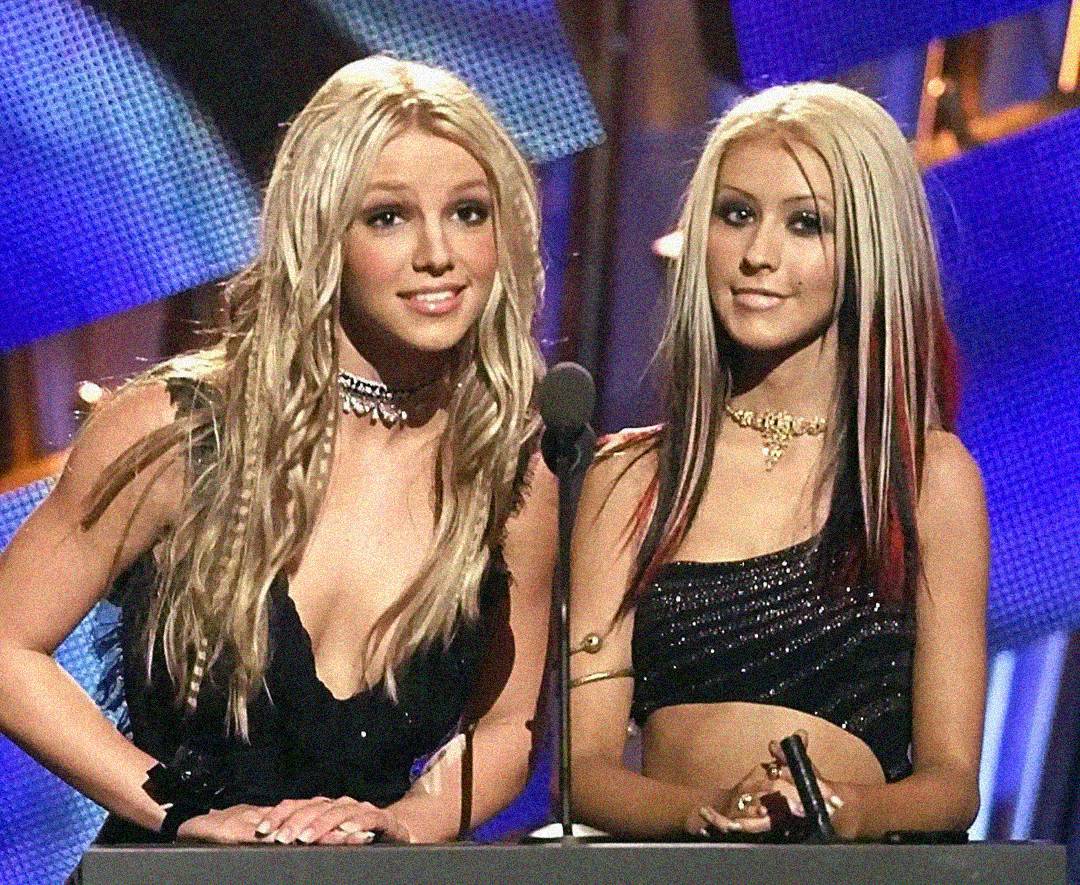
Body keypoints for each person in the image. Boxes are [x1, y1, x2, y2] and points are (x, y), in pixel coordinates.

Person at [0, 55, 555, 845]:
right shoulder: (178, 431)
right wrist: (180, 811)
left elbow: (507, 727)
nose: (439, 252)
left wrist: (402, 822)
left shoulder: (510, 471)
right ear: (322, 231)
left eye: (469, 212)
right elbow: (7, 645)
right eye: (388, 217)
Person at [569, 82, 988, 841]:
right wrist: (702, 811)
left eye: (805, 224)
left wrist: (854, 810)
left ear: (869, 247)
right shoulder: (628, 480)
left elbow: (954, 781)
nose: (759, 254)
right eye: (737, 216)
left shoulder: (924, 478)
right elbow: (584, 768)